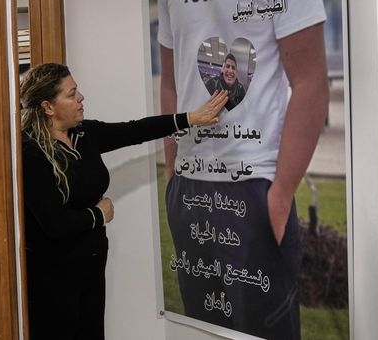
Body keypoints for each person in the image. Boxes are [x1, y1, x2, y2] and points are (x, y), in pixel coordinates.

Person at [156, 0, 330, 338]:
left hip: (254, 187)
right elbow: (170, 83)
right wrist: (172, 177)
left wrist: (279, 196)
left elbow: (311, 81)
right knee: (201, 329)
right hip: (191, 188)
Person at [19, 62, 227, 339]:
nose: (81, 98)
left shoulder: (84, 134)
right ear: (48, 107)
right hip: (53, 276)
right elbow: (54, 223)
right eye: (71, 94)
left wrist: (190, 118)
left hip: (91, 265)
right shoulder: (30, 150)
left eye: (77, 90)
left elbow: (135, 131)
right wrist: (98, 214)